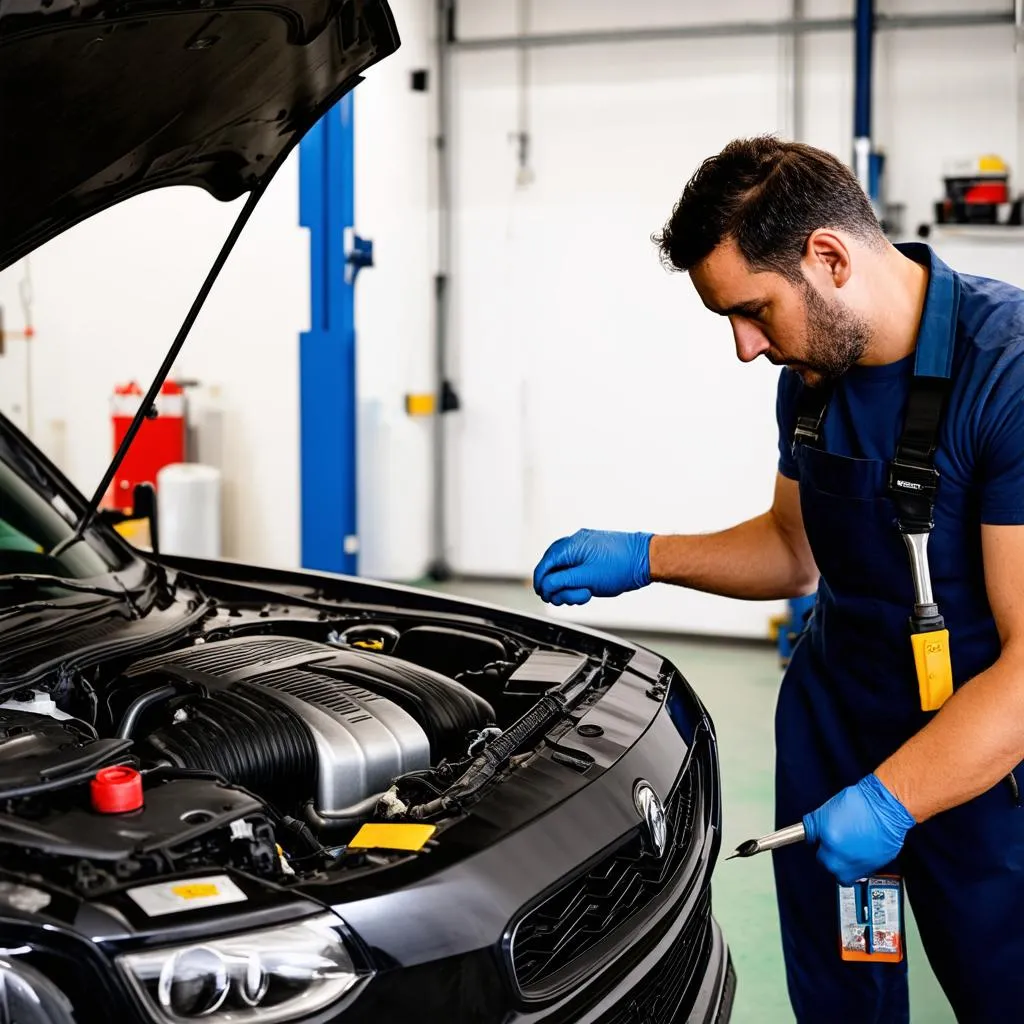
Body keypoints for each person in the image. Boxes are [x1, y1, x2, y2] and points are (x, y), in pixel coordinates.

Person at [532, 137, 1024, 1023]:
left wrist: (894, 798)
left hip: (981, 762)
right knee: (846, 999)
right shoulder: (813, 376)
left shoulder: (1009, 373)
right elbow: (794, 550)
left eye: (753, 311)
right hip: (837, 730)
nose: (744, 348)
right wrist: (646, 555)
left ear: (828, 258)